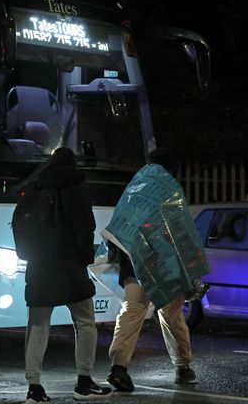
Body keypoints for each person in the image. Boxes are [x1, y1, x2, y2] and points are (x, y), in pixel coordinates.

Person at [12, 147, 112, 403]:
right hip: (69, 267)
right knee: (85, 322)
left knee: (37, 325)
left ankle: (34, 387)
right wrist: (84, 259)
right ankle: (84, 381)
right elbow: (84, 228)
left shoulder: (35, 187)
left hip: (39, 267)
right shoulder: (76, 188)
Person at [106, 148, 197, 392]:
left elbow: (117, 227)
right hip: (166, 267)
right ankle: (183, 367)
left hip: (135, 265)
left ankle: (118, 368)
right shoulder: (170, 192)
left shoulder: (133, 190)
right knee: (172, 317)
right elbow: (181, 233)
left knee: (131, 312)